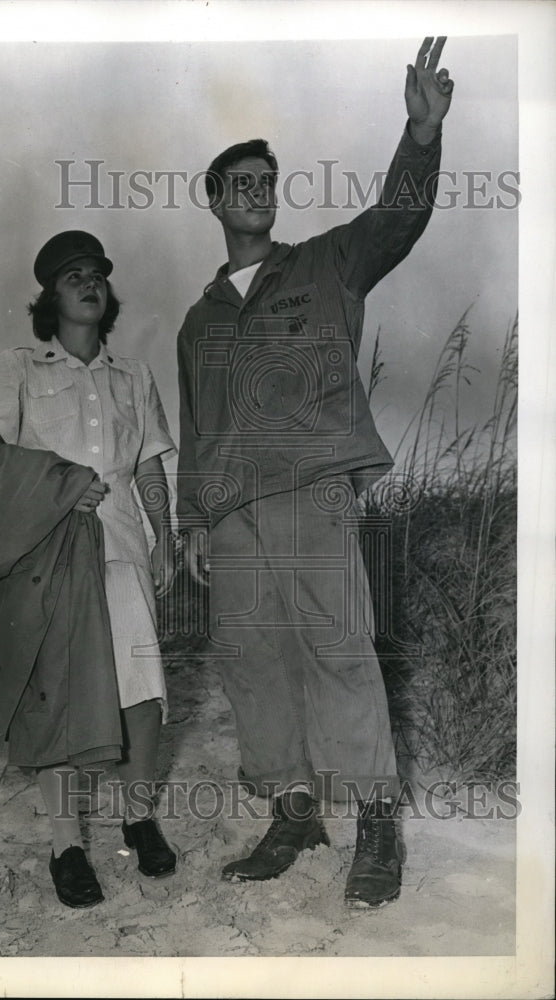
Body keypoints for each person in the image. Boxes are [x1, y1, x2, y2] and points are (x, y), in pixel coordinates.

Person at [176, 37, 454, 907]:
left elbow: (397, 219)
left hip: (313, 490)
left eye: (268, 180)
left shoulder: (327, 263)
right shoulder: (197, 320)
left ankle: (376, 821)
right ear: (216, 201)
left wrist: (420, 136)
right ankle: (293, 811)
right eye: (241, 183)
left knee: (341, 652)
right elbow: (196, 426)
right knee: (252, 662)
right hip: (231, 510)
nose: (257, 192)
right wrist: (192, 522)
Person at [0, 230, 178, 908]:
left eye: (97, 275)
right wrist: (57, 484)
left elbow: (146, 463)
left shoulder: (134, 376)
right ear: (49, 297)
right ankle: (66, 845)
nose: (89, 283)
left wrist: (164, 538)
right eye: (72, 276)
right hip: (49, 550)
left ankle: (138, 817)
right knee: (56, 696)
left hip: (121, 546)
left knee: (142, 692)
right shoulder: (20, 367)